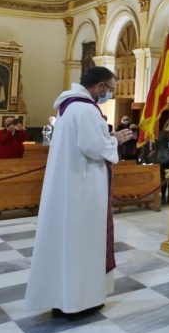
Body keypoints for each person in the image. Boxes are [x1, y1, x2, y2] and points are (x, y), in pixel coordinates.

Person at [25, 66, 135, 317]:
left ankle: (63, 297)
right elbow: (93, 147)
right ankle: (78, 301)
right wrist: (116, 139)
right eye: (109, 89)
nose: (109, 94)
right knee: (81, 242)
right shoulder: (85, 110)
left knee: (67, 243)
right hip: (82, 189)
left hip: (71, 185)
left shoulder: (68, 107)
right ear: (98, 87)